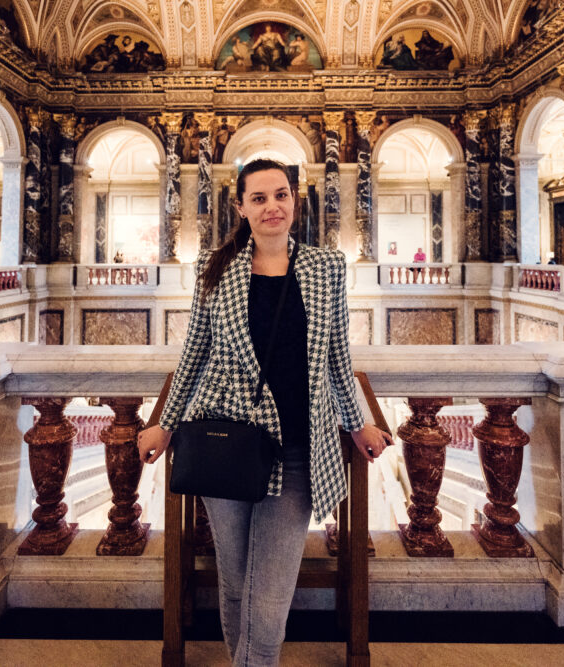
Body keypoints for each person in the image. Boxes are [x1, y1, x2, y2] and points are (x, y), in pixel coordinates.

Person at [137, 158, 392, 666]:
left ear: (295, 201)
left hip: (299, 449)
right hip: (225, 443)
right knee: (235, 584)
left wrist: (359, 419)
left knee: (269, 597)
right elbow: (194, 353)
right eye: (259, 198)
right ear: (241, 207)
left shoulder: (327, 268)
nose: (271, 206)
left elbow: (338, 357)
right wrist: (163, 424)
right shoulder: (216, 268)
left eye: (280, 195)